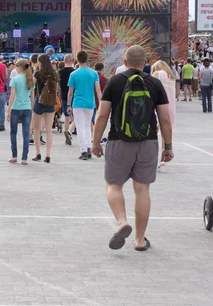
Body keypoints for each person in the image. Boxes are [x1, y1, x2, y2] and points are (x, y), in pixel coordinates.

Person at [92, 45, 173, 251]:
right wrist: (168, 146)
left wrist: (95, 142)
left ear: (125, 62)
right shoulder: (154, 83)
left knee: (113, 185)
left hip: (118, 140)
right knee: (142, 189)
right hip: (147, 142)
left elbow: (102, 115)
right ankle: (139, 240)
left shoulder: (115, 81)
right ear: (146, 63)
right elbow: (164, 118)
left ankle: (121, 222)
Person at [67, 51, 101, 160]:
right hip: (90, 103)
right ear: (87, 59)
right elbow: (98, 89)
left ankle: (83, 151)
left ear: (77, 59)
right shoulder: (94, 73)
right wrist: (101, 103)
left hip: (78, 102)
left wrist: (68, 105)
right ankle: (88, 148)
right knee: (87, 125)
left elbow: (70, 92)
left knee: (80, 126)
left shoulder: (74, 74)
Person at [6, 59, 35, 165]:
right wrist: (32, 108)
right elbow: (32, 97)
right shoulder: (30, 80)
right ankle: (24, 158)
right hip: (27, 108)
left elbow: (12, 96)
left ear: (19, 67)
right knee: (26, 133)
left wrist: (8, 110)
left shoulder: (15, 79)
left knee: (13, 132)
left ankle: (14, 156)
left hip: (16, 107)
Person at [32, 54, 58, 163]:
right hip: (50, 102)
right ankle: (48, 155)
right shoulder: (54, 74)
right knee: (48, 130)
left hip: (39, 101)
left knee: (37, 129)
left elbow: (30, 85)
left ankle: (38, 153)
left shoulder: (37, 73)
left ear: (40, 62)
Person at [59, 55, 76, 145]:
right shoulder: (74, 72)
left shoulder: (60, 72)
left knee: (66, 117)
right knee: (77, 116)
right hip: (74, 95)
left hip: (63, 95)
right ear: (72, 61)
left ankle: (66, 132)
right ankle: (70, 131)